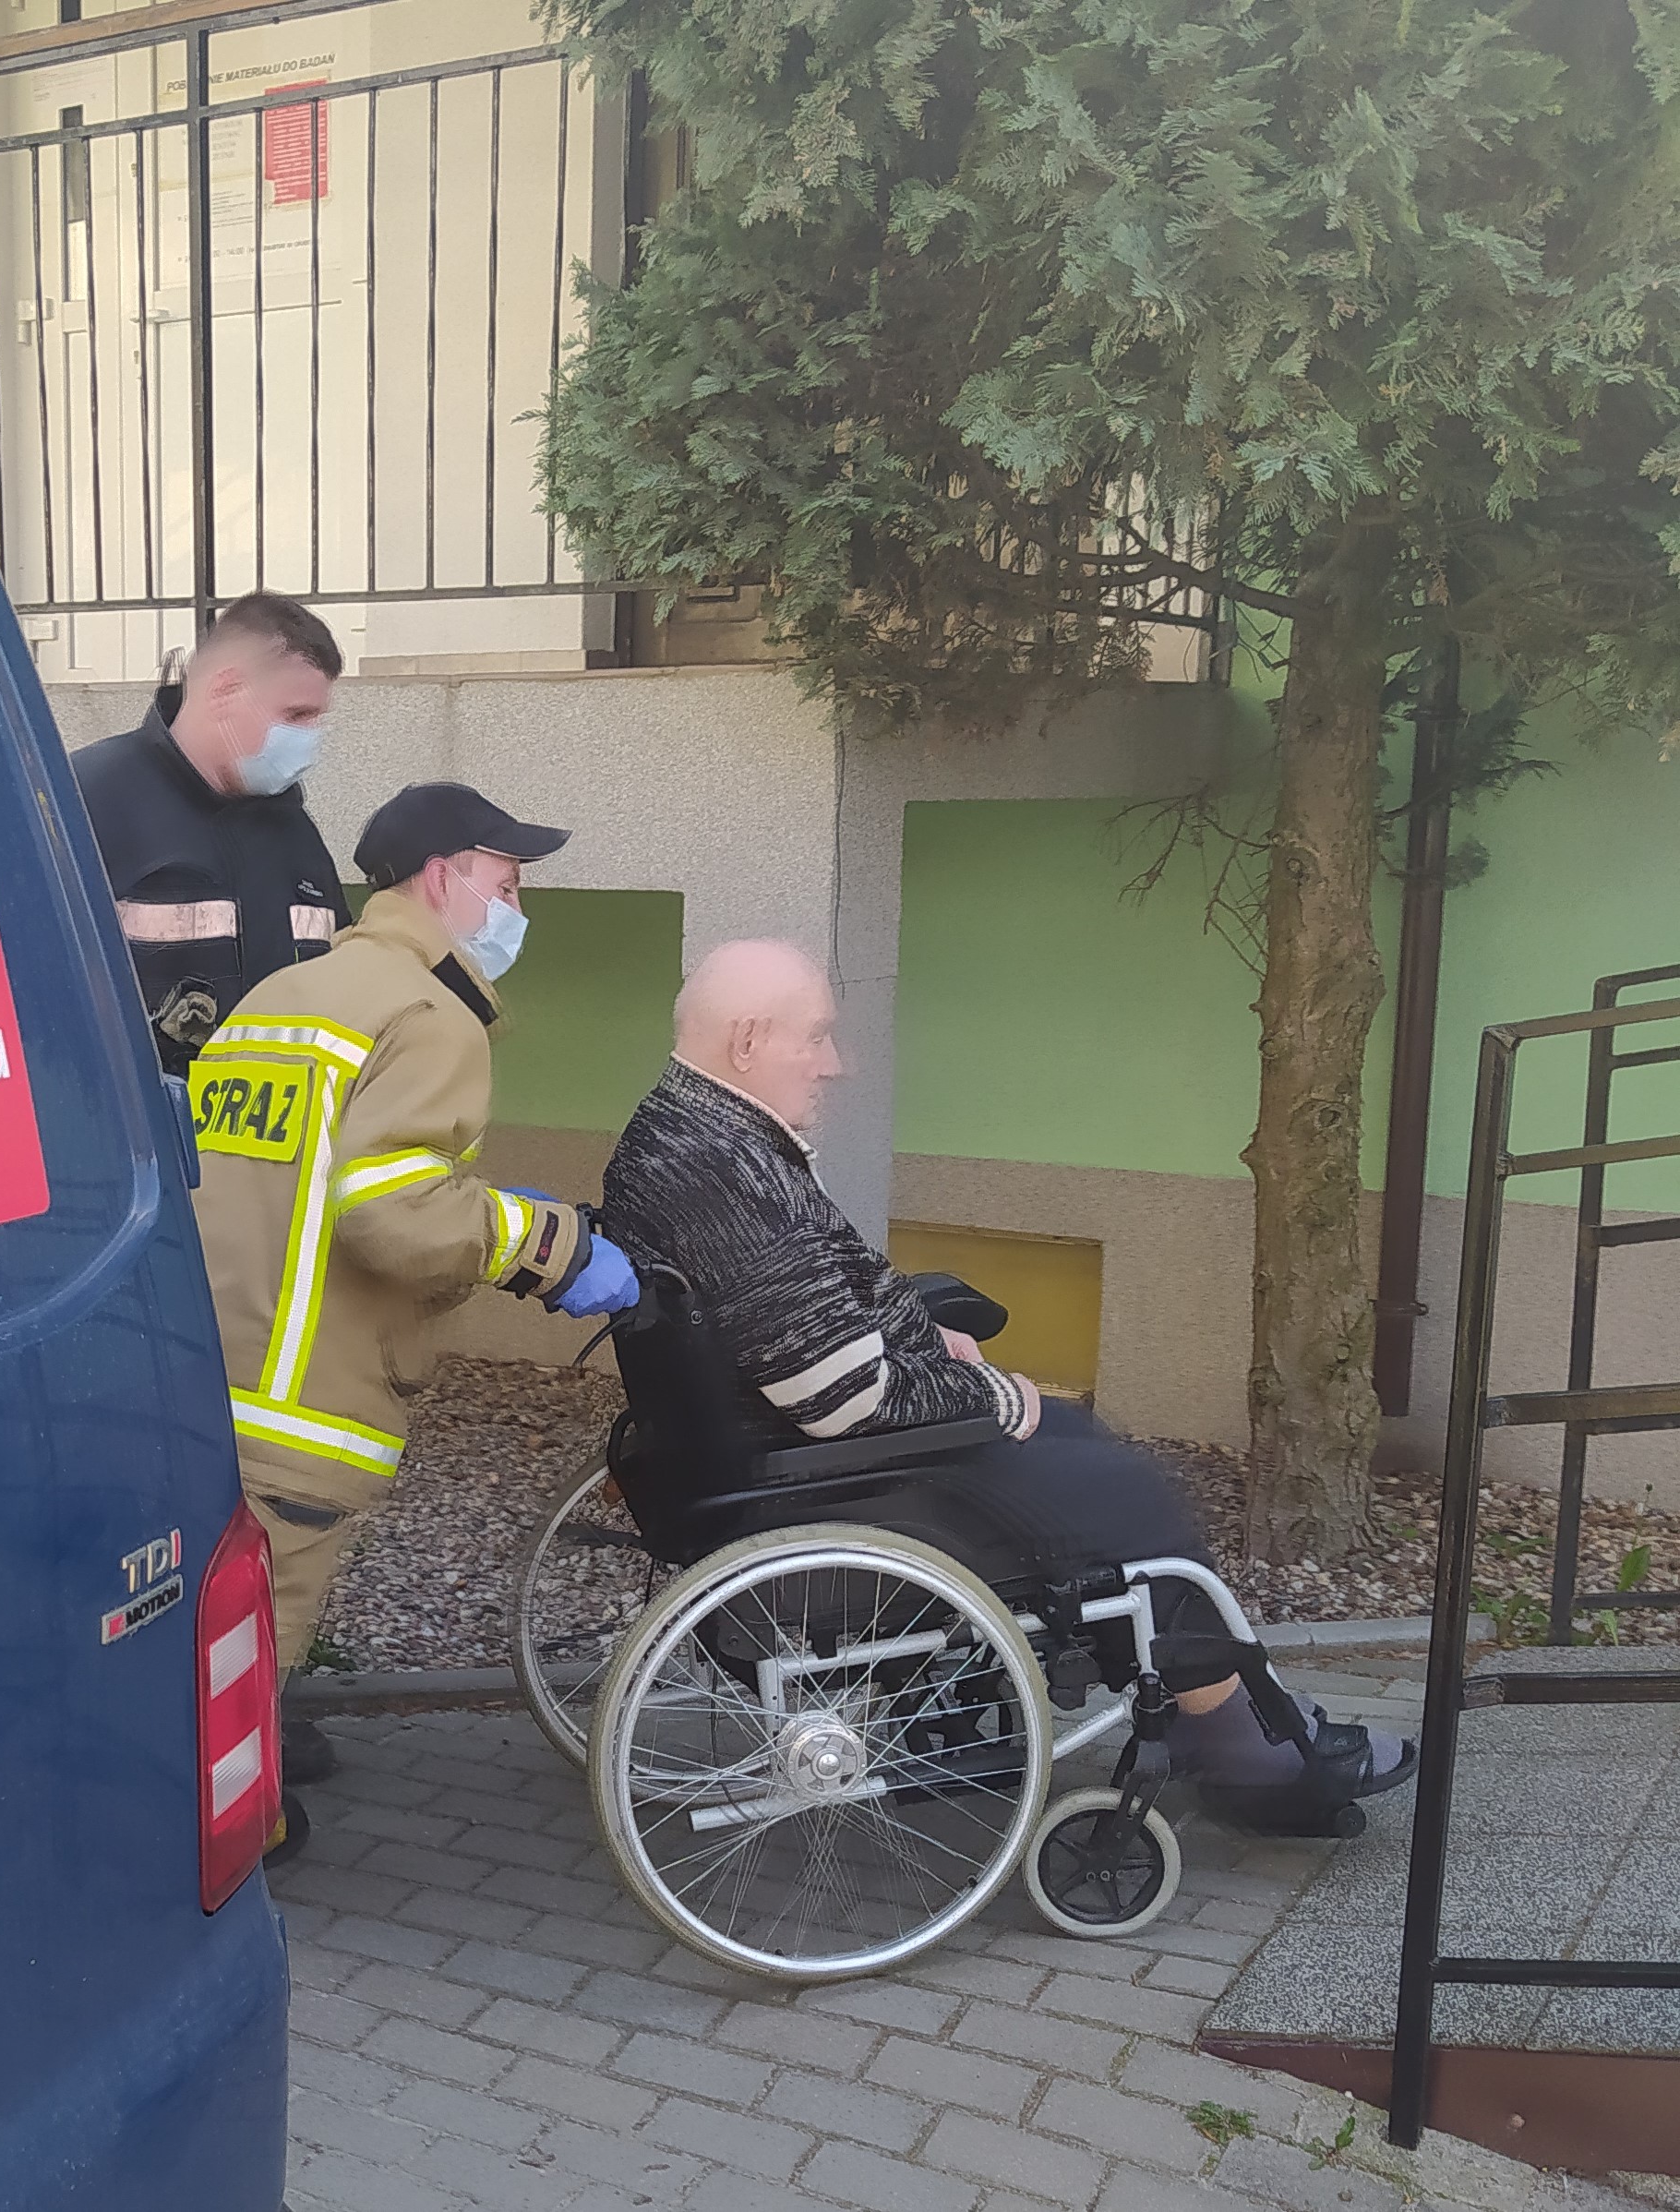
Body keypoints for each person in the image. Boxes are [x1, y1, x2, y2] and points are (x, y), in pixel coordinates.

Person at [601, 939, 1415, 1830]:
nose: (837, 1063)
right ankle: (1238, 1745)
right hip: (813, 1484)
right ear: (748, 1041)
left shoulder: (689, 1131)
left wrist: (927, 1339)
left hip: (757, 1455)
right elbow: (836, 1397)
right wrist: (990, 1397)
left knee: (1077, 1440)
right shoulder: (723, 1169)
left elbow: (830, 1296)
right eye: (818, 1037)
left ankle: (1217, 1707)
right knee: (1130, 1492)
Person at [191, 783, 641, 1858]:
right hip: (304, 1402)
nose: (517, 906)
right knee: (244, 1655)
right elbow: (394, 1217)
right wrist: (552, 1244)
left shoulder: (281, 996)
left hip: (208, 1371)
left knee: (200, 1625)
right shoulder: (429, 1015)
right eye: (507, 881)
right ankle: (216, 1858)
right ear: (443, 875)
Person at [72, 593, 350, 1075]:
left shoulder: (293, 828)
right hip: (144, 1119)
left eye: (316, 719)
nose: (310, 738)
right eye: (296, 715)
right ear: (226, 690)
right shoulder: (89, 801)